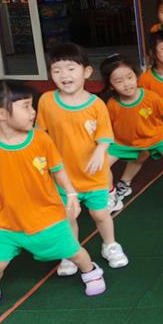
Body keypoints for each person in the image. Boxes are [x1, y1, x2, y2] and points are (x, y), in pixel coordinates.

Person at [0, 81, 106, 316]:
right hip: (4, 220)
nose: (33, 112)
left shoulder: (41, 139)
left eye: (32, 106)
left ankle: (90, 271)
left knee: (73, 251)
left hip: (47, 217)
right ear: (0, 114)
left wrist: (72, 193)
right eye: (26, 106)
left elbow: (58, 169)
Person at [36, 43, 129, 277]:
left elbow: (105, 135)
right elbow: (39, 134)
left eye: (70, 68)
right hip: (63, 178)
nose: (64, 75)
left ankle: (110, 245)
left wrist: (100, 150)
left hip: (94, 176)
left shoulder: (96, 104)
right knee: (68, 216)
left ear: (86, 72)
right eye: (57, 70)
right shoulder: (47, 101)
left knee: (100, 214)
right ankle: (71, 252)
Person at [100, 54, 163, 212]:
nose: (127, 84)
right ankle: (112, 197)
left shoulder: (151, 97)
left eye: (129, 77)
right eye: (119, 81)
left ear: (136, 76)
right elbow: (107, 126)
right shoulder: (111, 104)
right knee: (101, 165)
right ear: (110, 85)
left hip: (156, 137)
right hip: (125, 142)